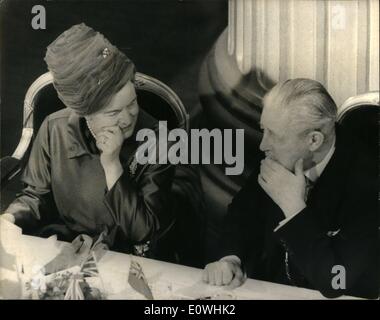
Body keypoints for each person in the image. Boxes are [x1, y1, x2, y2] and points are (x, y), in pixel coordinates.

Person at [1, 23, 175, 258]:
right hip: (64, 249)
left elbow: (142, 231)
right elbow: (36, 197)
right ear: (86, 113)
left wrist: (112, 165)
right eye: (113, 113)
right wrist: (10, 218)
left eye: (132, 103)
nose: (127, 118)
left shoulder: (159, 140)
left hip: (127, 260)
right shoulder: (55, 128)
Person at [203, 79, 379, 299]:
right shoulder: (281, 151)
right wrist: (231, 258)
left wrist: (293, 207)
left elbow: (336, 281)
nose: (263, 145)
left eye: (273, 135)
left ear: (314, 140)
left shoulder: (369, 184)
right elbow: (242, 213)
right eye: (263, 130)